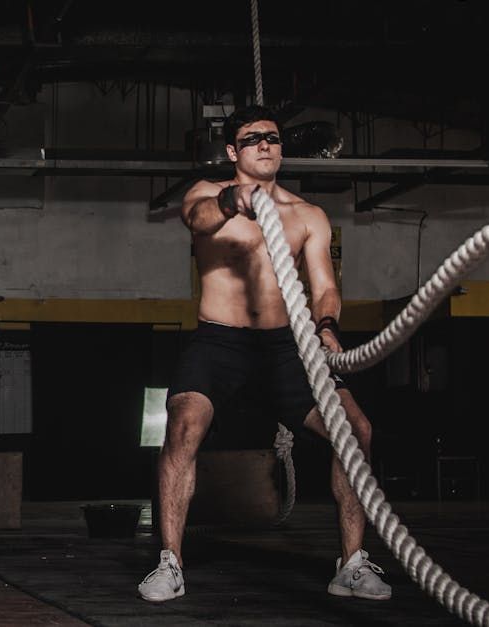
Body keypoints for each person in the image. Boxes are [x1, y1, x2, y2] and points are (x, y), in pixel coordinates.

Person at [137, 105, 391, 603]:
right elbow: (198, 218)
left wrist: (327, 327)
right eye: (252, 139)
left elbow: (324, 287)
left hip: (286, 347)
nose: (265, 145)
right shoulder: (208, 196)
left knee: (356, 431)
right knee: (184, 423)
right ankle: (170, 562)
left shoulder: (308, 215)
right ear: (233, 151)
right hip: (219, 341)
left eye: (272, 138)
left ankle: (352, 564)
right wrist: (237, 200)